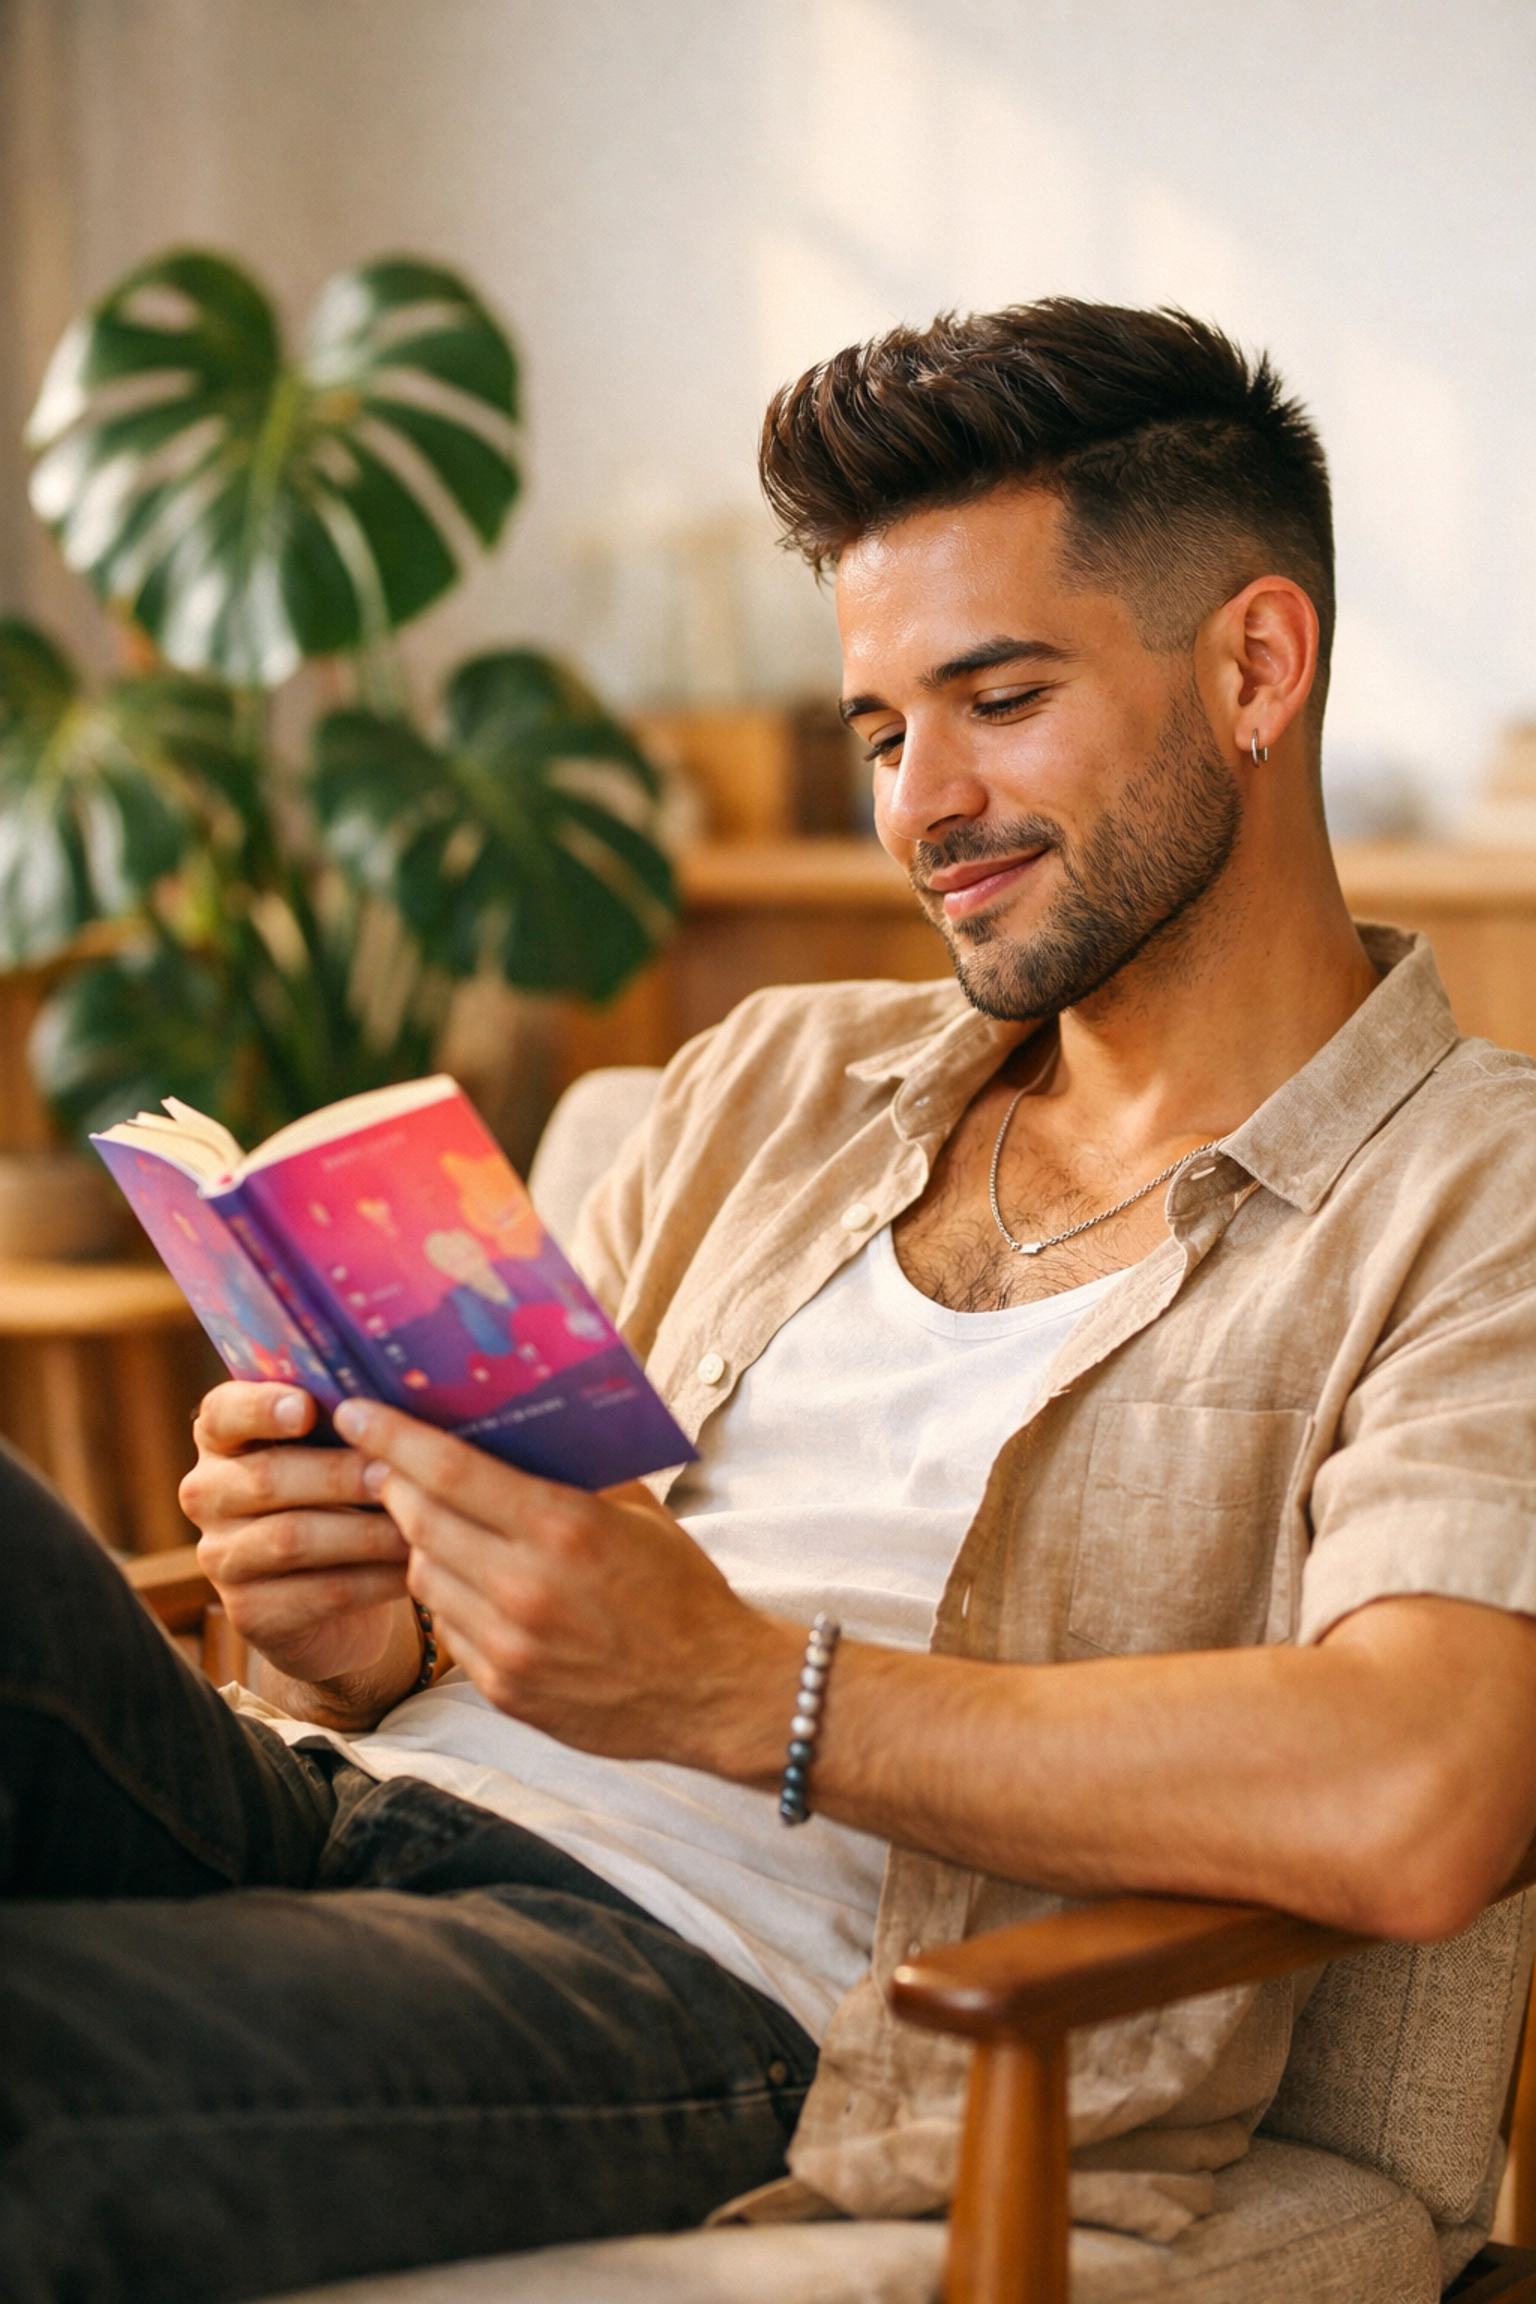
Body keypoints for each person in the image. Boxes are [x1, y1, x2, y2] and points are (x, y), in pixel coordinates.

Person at [6, 299, 1536, 2303]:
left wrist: (747, 1690)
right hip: (335, 1813)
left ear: (1255, 664)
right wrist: (348, 1640)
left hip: (706, 1999)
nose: (921, 806)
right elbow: (453, 1644)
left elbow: (1418, 1793)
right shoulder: (777, 1079)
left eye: (998, 699)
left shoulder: (1476, 1192)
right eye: (885, 730)